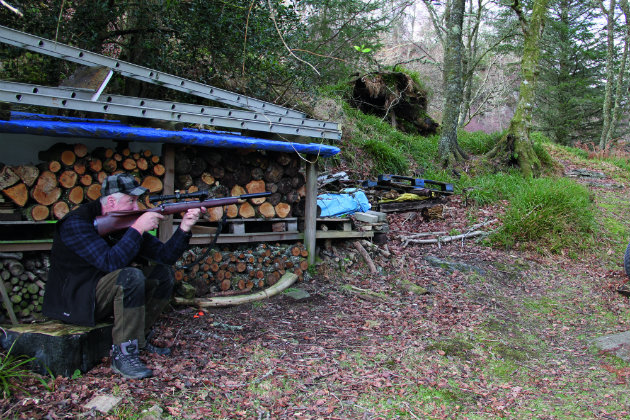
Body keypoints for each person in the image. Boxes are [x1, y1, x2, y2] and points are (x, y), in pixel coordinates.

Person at [43, 173, 204, 379]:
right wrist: (138, 228)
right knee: (130, 276)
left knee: (161, 273)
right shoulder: (76, 223)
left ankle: (138, 340)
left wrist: (185, 227)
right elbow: (110, 263)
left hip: (99, 291)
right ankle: (124, 355)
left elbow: (166, 256)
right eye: (131, 201)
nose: (137, 208)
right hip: (76, 299)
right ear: (111, 201)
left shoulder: (120, 222)